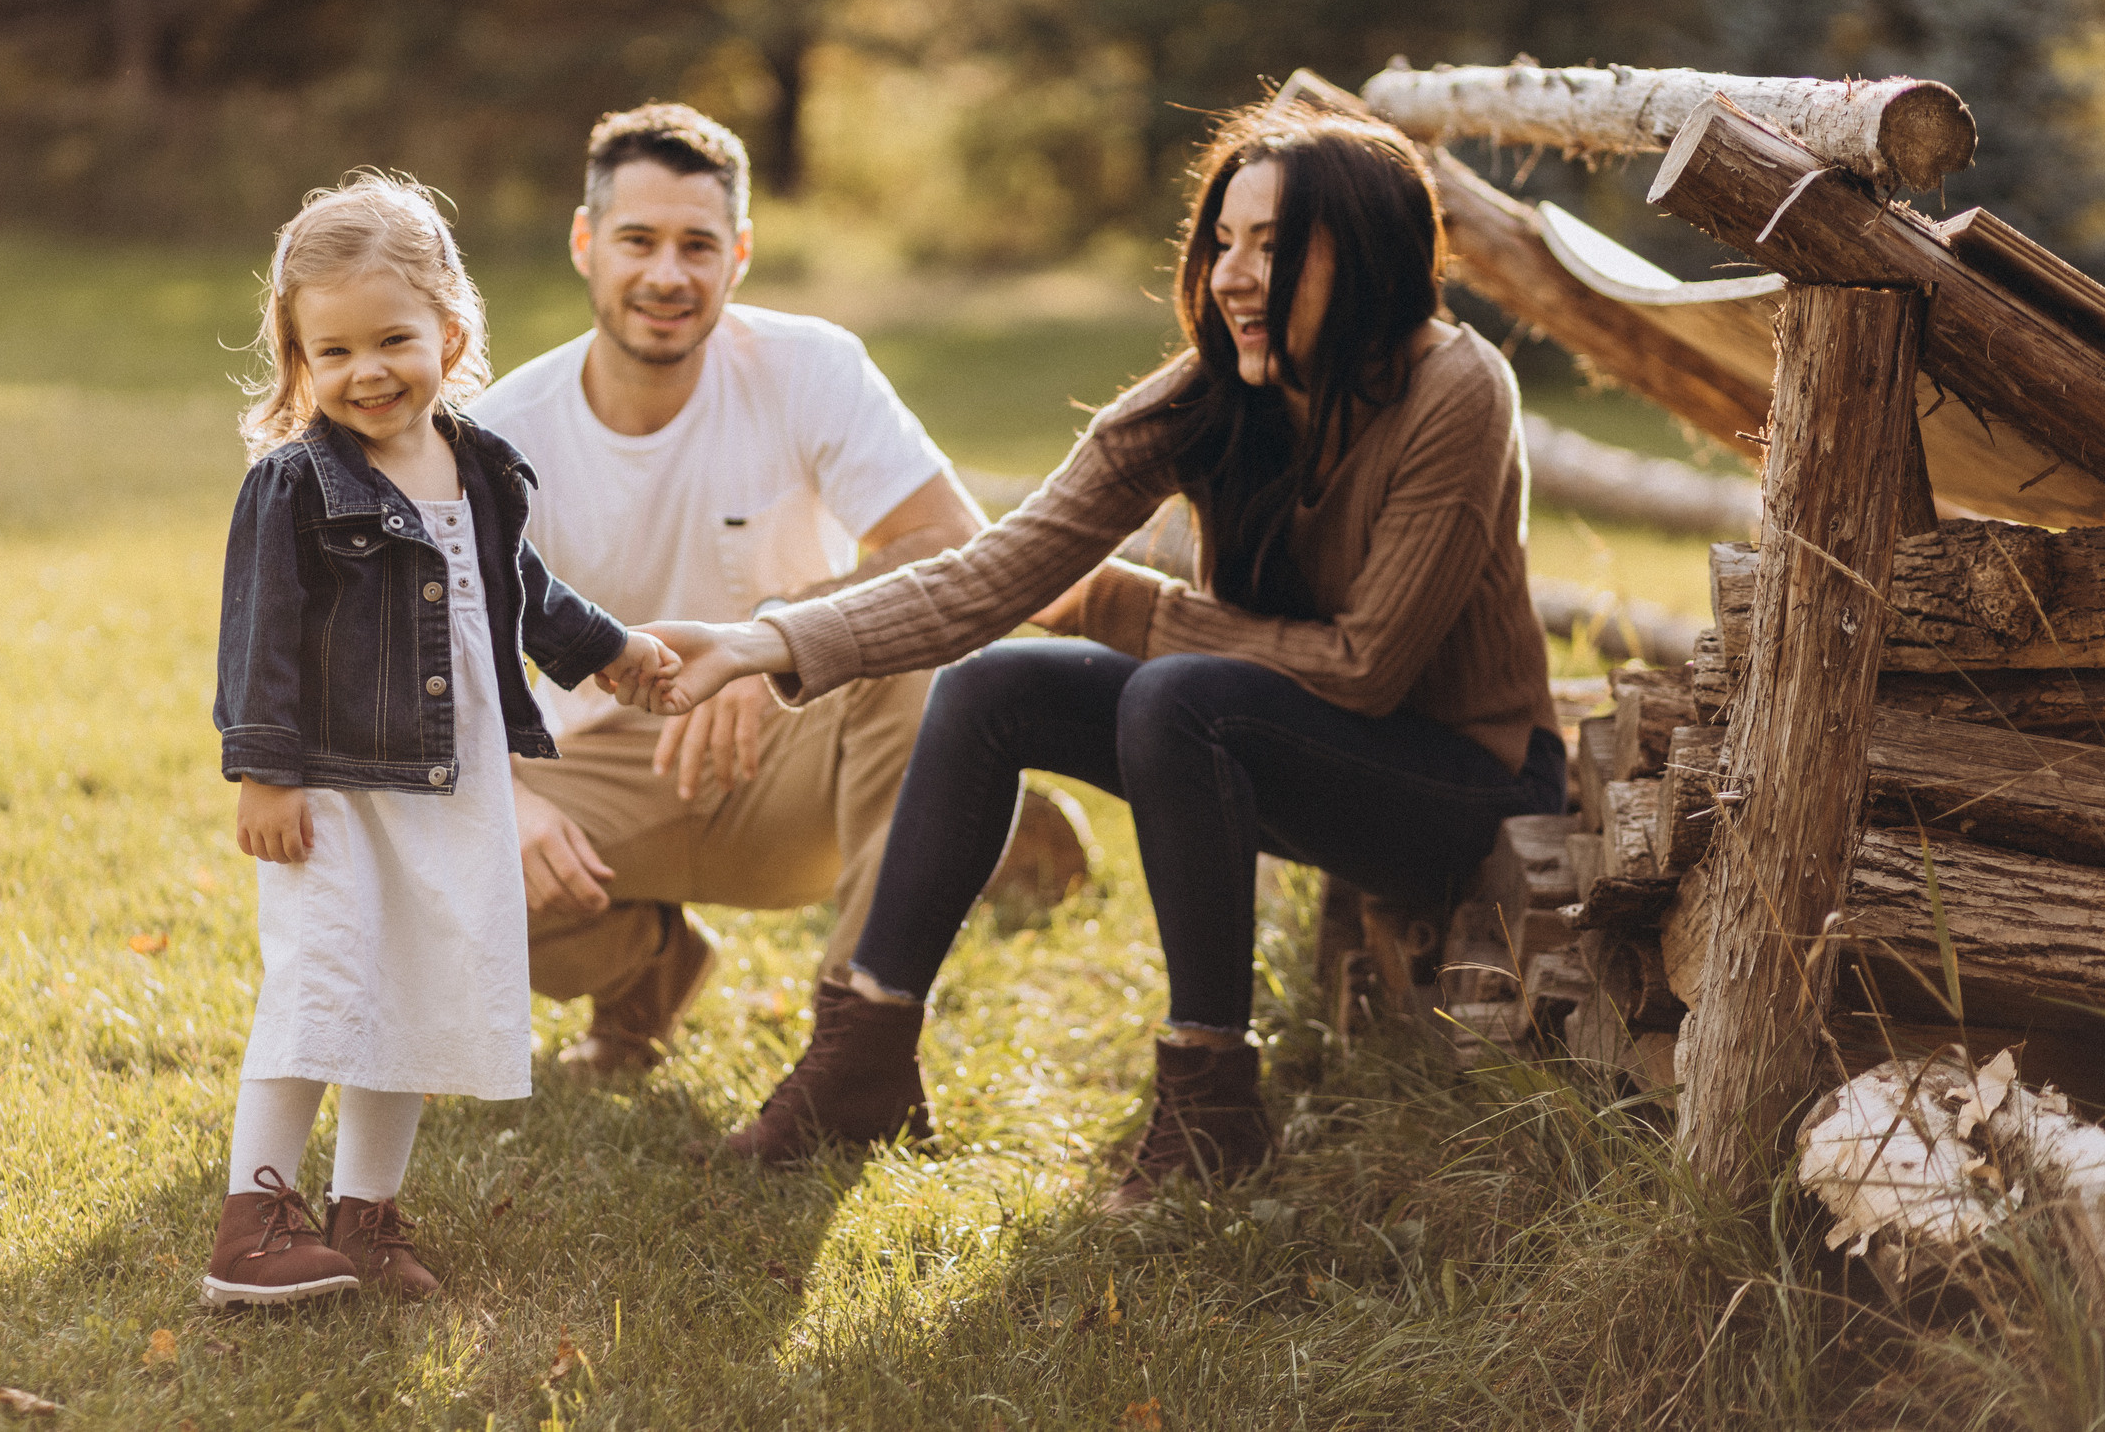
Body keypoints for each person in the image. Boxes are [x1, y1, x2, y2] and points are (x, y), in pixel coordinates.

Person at [644, 103, 1567, 1203]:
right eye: (1221, 242)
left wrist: (1138, 614)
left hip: (1461, 782)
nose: (1231, 275)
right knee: (993, 686)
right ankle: (864, 1061)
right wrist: (760, 643)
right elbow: (989, 577)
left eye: (1273, 247)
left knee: (1179, 697)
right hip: (1283, 742)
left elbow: (1369, 666)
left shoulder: (1454, 391)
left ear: (1362, 255)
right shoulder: (1212, 393)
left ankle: (1212, 1105)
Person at [203, 172, 682, 1308]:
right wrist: (264, 771)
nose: (366, 371)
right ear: (296, 359)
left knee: (412, 996)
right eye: (332, 352)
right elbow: (257, 635)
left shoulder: (481, 468)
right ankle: (254, 1224)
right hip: (333, 791)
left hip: (449, 784)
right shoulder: (293, 486)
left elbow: (518, 591)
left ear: (450, 332)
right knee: (322, 993)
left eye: (393, 339)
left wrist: (612, 651)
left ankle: (366, 1218)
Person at [469, 104, 991, 1074]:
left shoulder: (811, 366)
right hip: (601, 769)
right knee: (430, 855)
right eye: (637, 240)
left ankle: (858, 1042)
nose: (667, 274)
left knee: (925, 661)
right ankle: (649, 970)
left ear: (739, 255)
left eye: (697, 245)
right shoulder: (500, 436)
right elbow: (423, 661)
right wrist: (502, 799)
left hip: (790, 746)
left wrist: (775, 641)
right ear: (586, 244)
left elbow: (954, 544)